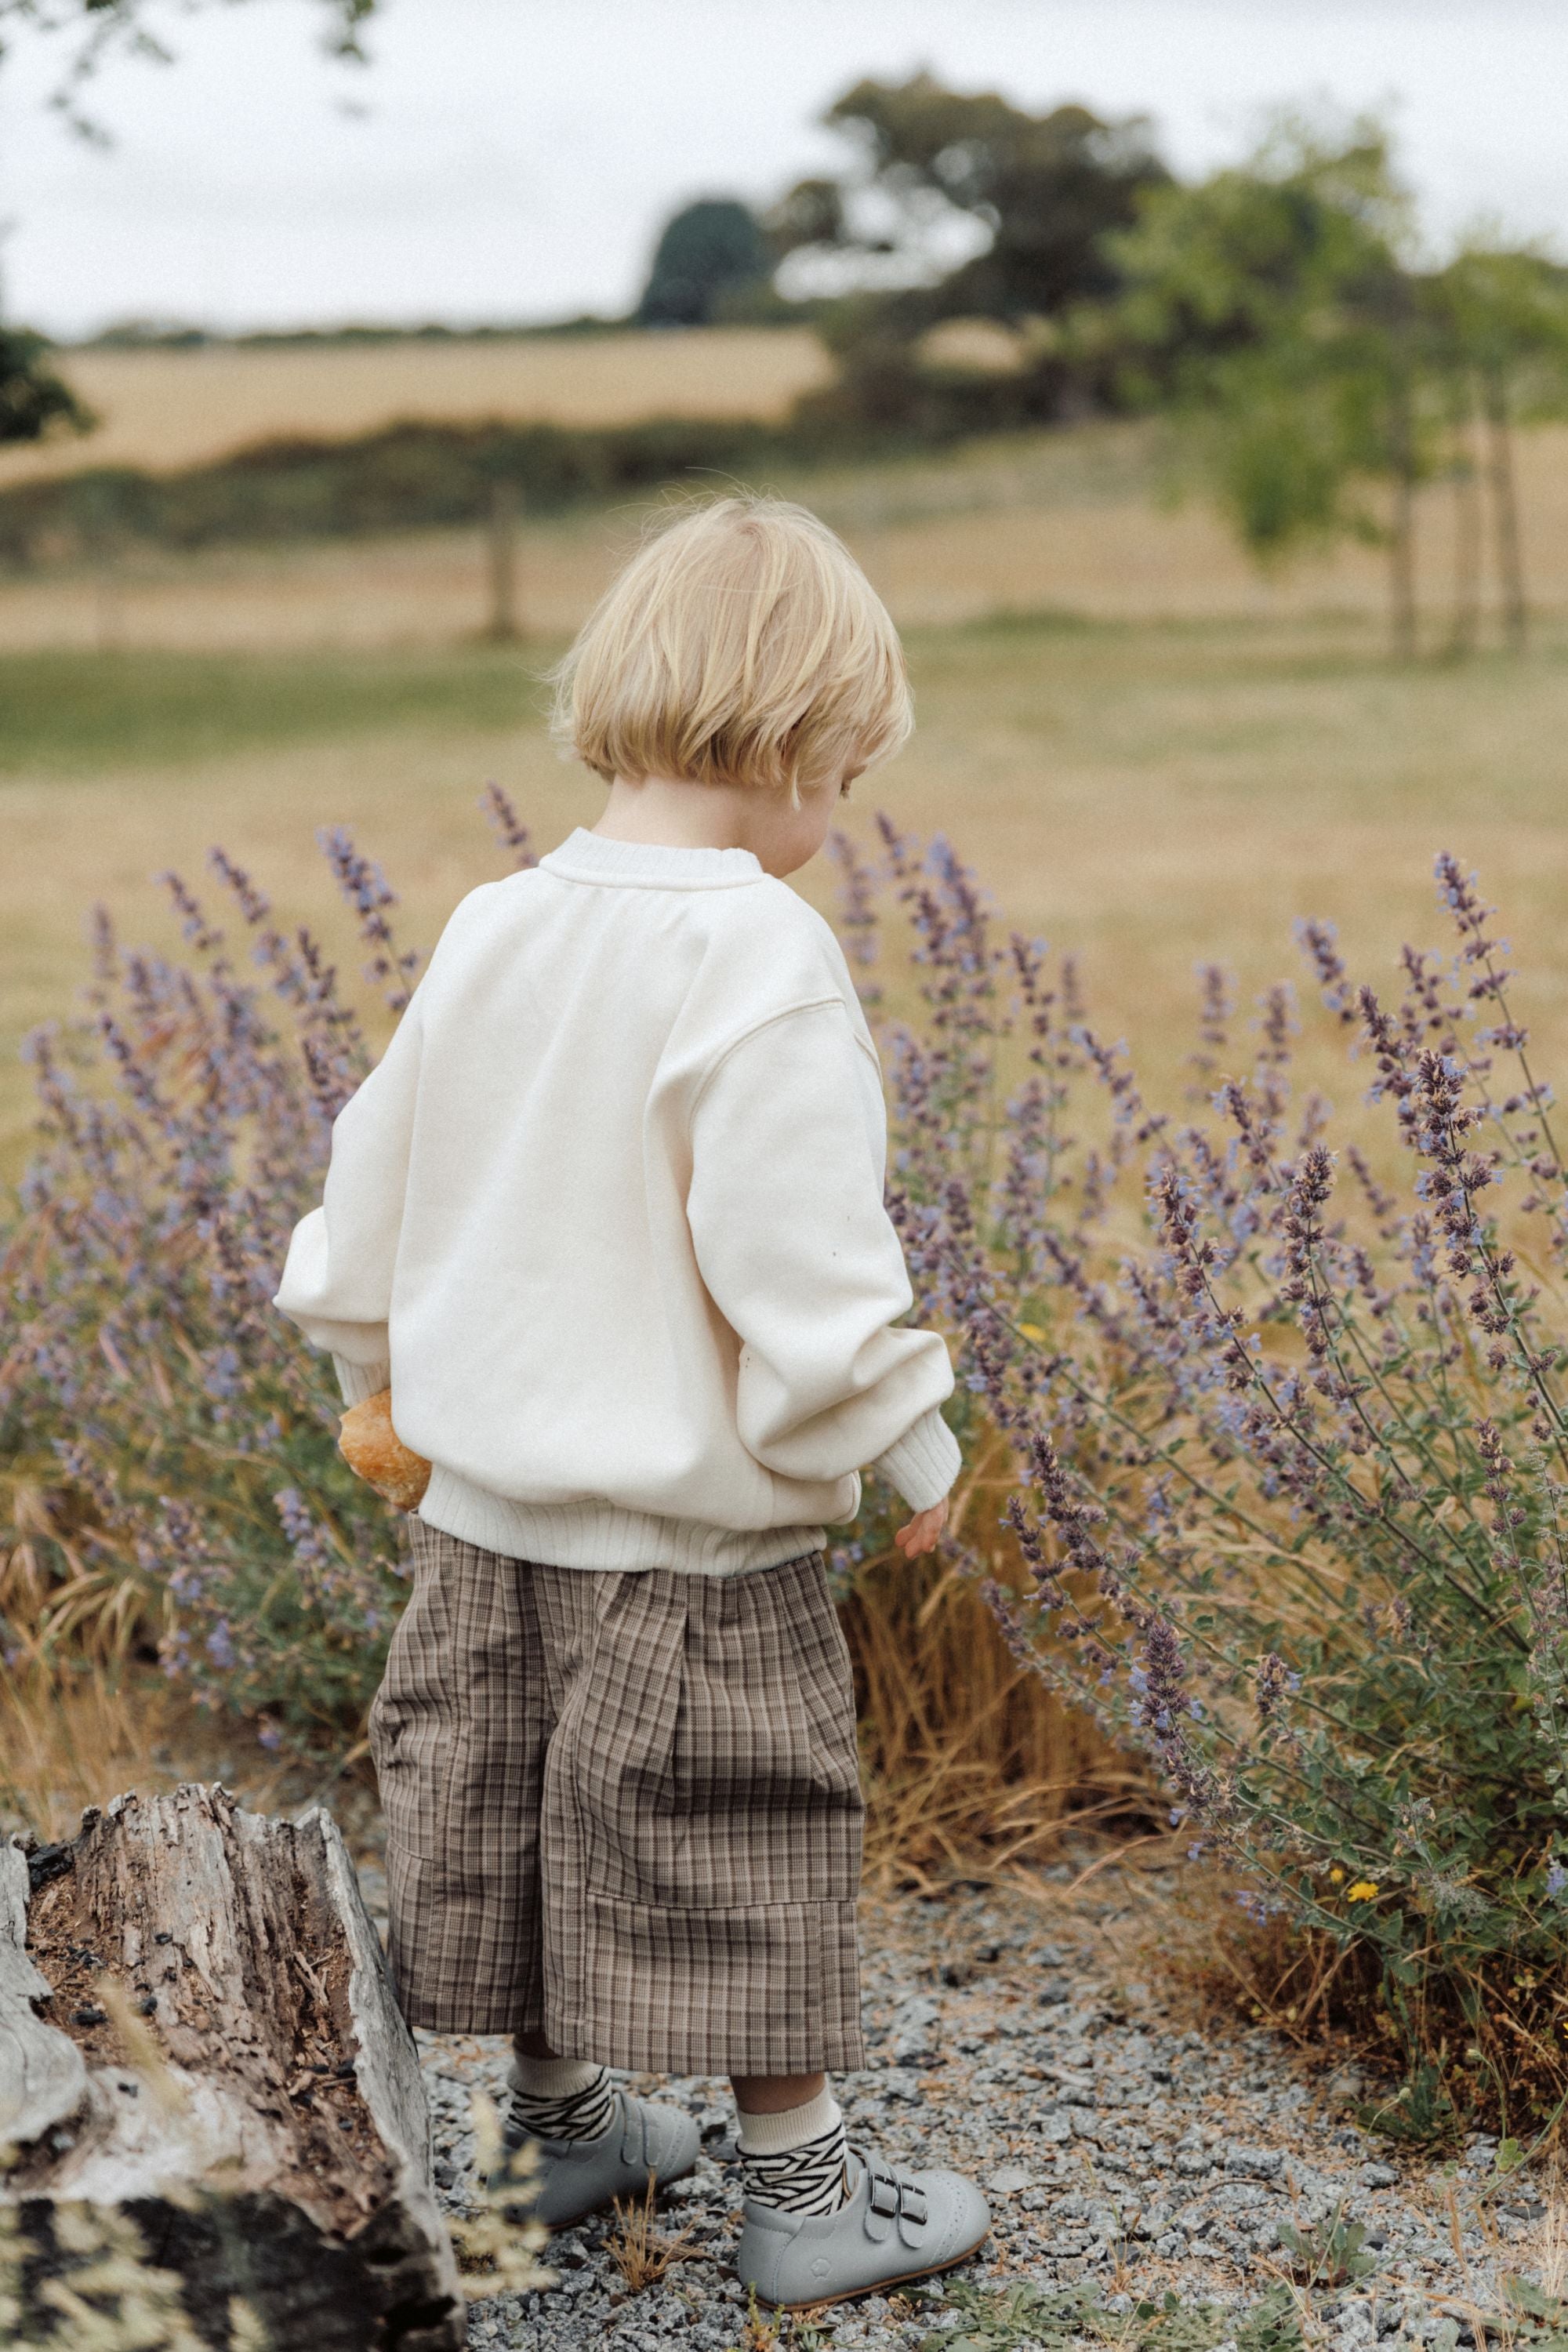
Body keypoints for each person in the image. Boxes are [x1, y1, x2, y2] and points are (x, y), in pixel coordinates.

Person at [274, 495, 989, 2310]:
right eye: (849, 771)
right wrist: (905, 1430)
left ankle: (560, 2120)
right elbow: (802, 1259)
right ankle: (806, 2196)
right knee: (734, 1832)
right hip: (688, 1545)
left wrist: (369, 1362)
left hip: (482, 1515)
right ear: (807, 745)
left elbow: (378, 1167)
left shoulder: (500, 919)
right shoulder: (754, 956)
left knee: (501, 1814)